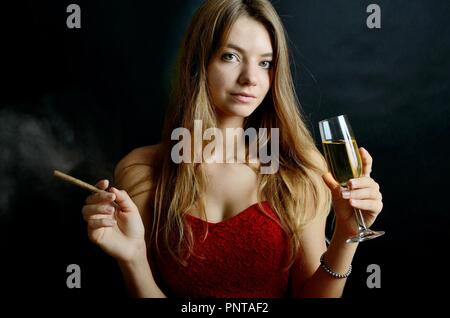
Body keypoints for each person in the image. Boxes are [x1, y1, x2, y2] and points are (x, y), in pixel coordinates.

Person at [81, 0, 383, 298]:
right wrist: (132, 259)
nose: (251, 78)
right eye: (230, 57)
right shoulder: (144, 170)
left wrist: (345, 235)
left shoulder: (300, 170)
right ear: (199, 62)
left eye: (265, 63)